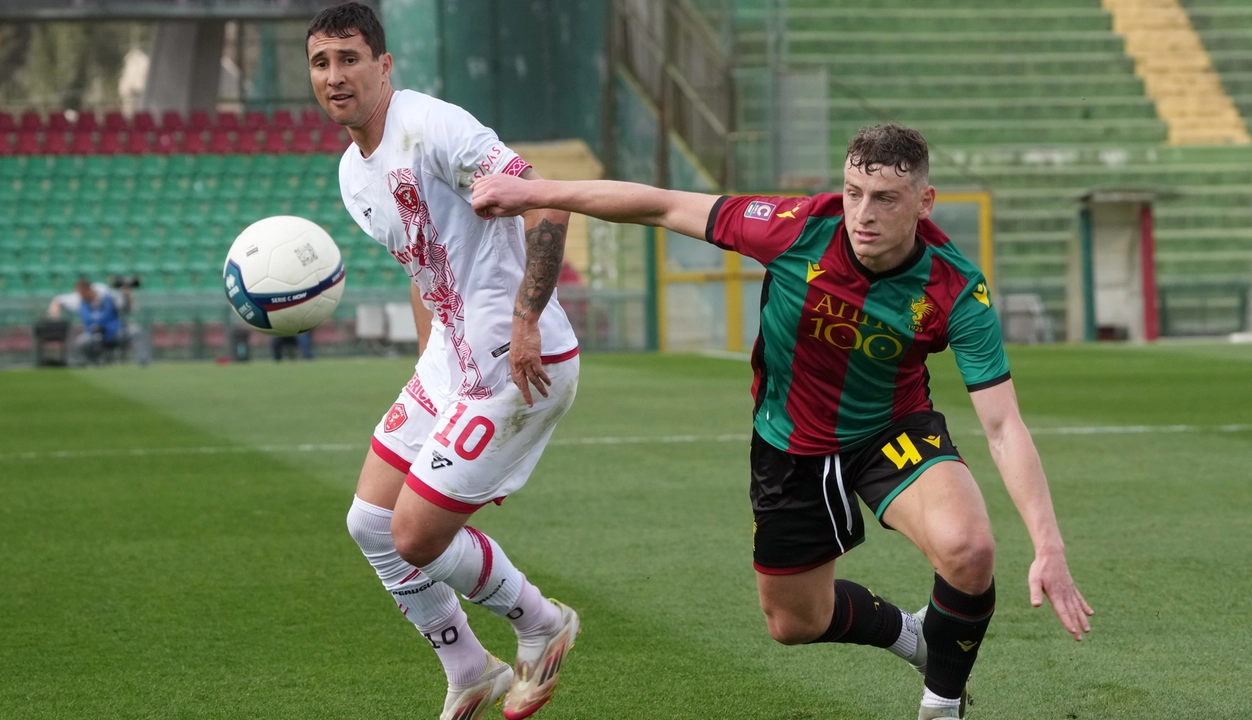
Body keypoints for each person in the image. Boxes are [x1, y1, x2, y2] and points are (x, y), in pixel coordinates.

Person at [471, 124, 1094, 719]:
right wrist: (533, 192)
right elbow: (660, 205)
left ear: (924, 202)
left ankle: (941, 704)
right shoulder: (795, 228)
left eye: (885, 198)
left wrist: (1049, 546)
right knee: (794, 623)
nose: (863, 213)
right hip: (790, 444)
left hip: (890, 432)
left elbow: (1004, 426)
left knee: (969, 548)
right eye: (854, 193)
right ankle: (914, 636)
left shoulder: (956, 288)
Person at [306, 4, 582, 719]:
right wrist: (432, 358)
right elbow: (420, 264)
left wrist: (525, 320)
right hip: (450, 364)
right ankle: (469, 667)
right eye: (321, 62)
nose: (335, 77)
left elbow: (548, 205)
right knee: (368, 523)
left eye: (349, 59)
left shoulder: (433, 126)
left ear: (384, 65)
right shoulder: (351, 174)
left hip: (518, 363)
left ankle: (542, 623)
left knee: (415, 535)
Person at [47, 276, 130, 365]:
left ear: (88, 290)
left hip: (114, 331)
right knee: (81, 342)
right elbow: (58, 300)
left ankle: (142, 362)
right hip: (91, 334)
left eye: (82, 293)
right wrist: (54, 315)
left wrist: (127, 294)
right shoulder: (79, 299)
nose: (80, 296)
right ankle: (91, 362)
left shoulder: (105, 293)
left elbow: (124, 306)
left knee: (134, 332)